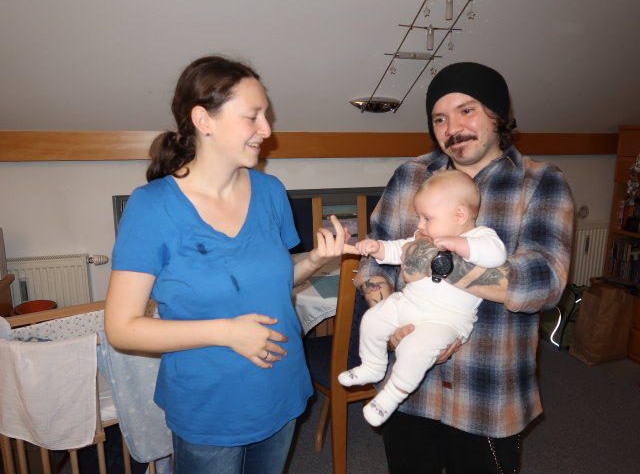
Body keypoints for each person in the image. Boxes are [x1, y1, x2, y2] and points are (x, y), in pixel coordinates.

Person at [104, 55, 352, 474]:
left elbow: (272, 283)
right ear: (204, 120)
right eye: (252, 117)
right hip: (209, 406)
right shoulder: (152, 207)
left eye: (266, 116)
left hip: (281, 387)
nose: (267, 130)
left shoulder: (270, 191)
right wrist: (226, 332)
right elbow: (121, 328)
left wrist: (313, 260)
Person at [355, 62, 574, 473]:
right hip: (408, 390)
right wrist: (392, 325)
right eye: (439, 118)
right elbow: (373, 266)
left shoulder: (541, 182)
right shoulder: (410, 176)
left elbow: (543, 282)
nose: (452, 127)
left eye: (466, 110)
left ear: (497, 115)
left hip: (487, 394)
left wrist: (435, 263)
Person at [339, 170, 507, 427]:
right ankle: (373, 365)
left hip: (447, 322)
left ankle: (391, 397)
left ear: (460, 215)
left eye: (427, 218)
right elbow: (399, 248)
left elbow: (496, 255)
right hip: (408, 303)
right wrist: (378, 248)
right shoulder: (424, 237)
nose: (419, 225)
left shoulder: (481, 236)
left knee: (414, 350)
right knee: (372, 319)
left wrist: (455, 243)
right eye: (419, 217)